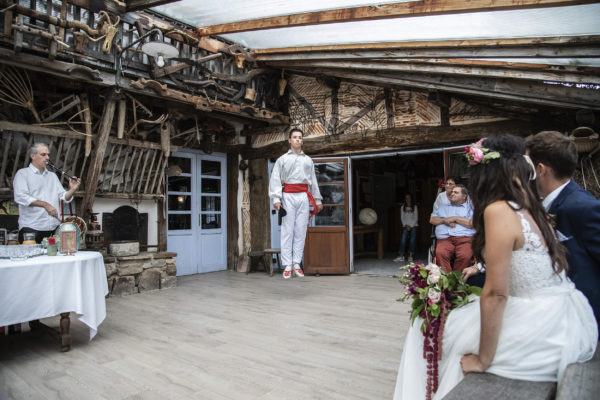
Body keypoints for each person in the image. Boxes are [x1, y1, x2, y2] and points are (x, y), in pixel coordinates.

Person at [394, 135, 597, 400]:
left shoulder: (498, 210)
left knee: (426, 326)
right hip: (568, 314)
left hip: (539, 323)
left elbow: (496, 294)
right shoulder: (531, 204)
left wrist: (482, 360)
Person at [525, 130, 600, 330]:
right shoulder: (540, 205)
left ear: (540, 169)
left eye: (528, 166)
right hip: (555, 312)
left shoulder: (582, 206)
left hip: (586, 316)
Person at [268, 128, 323, 279]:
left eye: (300, 137)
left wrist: (317, 200)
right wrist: (276, 199)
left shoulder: (308, 160)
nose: (298, 139)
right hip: (288, 195)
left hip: (303, 196)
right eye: (295, 137)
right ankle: (287, 264)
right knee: (287, 230)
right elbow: (275, 180)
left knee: (301, 230)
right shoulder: (282, 159)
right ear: (289, 140)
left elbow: (313, 181)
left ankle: (296, 263)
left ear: (302, 140)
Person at [13, 143, 80, 244]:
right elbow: (20, 197)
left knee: (55, 258)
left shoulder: (52, 176)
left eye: (48, 155)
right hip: (31, 228)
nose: (47, 157)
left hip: (53, 227)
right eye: (43, 154)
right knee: (32, 259)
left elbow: (63, 197)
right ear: (33, 156)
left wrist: (72, 190)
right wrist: (45, 204)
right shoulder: (23, 174)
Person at [430, 184, 475, 273]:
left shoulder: (471, 208)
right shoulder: (443, 207)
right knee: (441, 253)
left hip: (464, 239)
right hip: (445, 239)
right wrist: (444, 220)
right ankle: (447, 280)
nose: (452, 194)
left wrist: (455, 218)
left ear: (464, 196)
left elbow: (472, 223)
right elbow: (432, 220)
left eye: (456, 192)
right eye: (452, 192)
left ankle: (456, 278)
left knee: (465, 256)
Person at [394, 194, 418, 263]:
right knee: (403, 240)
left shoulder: (415, 207)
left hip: (414, 226)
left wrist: (411, 226)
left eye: (409, 198)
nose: (408, 199)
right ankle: (401, 256)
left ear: (411, 199)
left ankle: (410, 256)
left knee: (412, 241)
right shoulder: (402, 207)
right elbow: (402, 218)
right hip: (405, 226)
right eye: (406, 198)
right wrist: (406, 225)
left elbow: (416, 218)